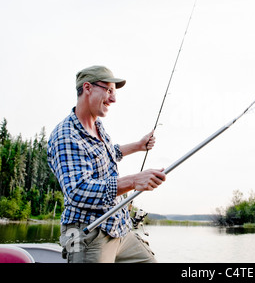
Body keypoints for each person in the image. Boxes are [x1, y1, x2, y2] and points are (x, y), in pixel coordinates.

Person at [47, 65, 166, 263]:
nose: (113, 99)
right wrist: (134, 181)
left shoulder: (97, 126)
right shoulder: (66, 136)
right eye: (109, 90)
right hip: (87, 233)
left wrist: (138, 146)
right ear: (88, 88)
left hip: (117, 228)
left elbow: (109, 153)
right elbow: (77, 190)